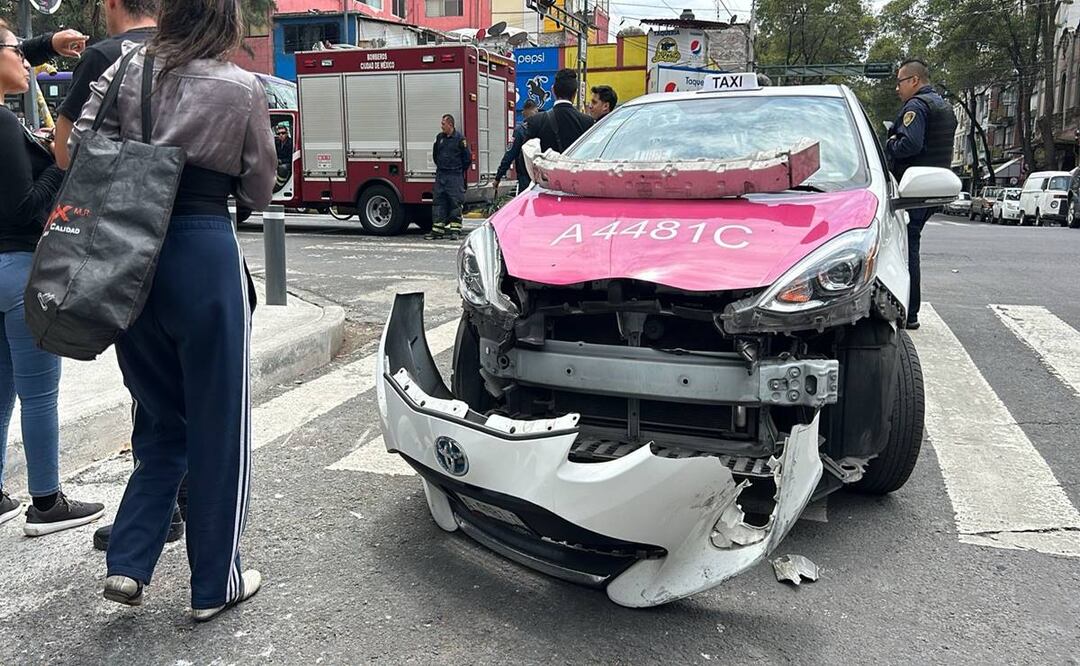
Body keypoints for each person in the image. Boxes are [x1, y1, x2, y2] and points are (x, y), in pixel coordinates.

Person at [70, 0, 276, 621]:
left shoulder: (124, 68)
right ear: (226, 22)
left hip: (127, 256)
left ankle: (130, 563)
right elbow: (260, 186)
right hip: (202, 250)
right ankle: (215, 583)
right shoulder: (242, 88)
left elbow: (78, 147)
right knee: (220, 429)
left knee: (161, 419)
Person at [0, 22, 107, 536]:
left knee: (0, 390)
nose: (25, 59)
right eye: (15, 49)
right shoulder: (1, 122)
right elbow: (24, 209)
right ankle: (46, 501)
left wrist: (46, 45)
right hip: (19, 270)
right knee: (40, 393)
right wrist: (59, 162)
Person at [885, 58, 957, 331]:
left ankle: (909, 312)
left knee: (906, 247)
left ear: (914, 81)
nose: (897, 88)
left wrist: (891, 143)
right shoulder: (943, 106)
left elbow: (910, 144)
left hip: (915, 189)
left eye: (900, 81)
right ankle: (910, 310)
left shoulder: (915, 106)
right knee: (911, 244)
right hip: (934, 187)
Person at [54, 0, 158, 171]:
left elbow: (65, 155)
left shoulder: (100, 57)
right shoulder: (187, 54)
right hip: (178, 189)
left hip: (116, 191)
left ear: (112, 3)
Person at [524, 68, 594, 153]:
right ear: (575, 93)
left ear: (553, 90)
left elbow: (525, 155)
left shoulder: (536, 121)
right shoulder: (587, 122)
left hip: (545, 166)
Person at [427, 113, 471, 241]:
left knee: (455, 203)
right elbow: (436, 155)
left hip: (454, 176)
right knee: (438, 203)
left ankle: (455, 231)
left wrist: (457, 170)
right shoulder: (440, 138)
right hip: (441, 175)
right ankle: (437, 231)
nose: (441, 126)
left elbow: (467, 159)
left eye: (443, 124)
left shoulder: (460, 139)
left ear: (450, 124)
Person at [493, 99, 539, 194]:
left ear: (523, 113)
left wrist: (498, 177)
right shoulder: (544, 128)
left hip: (525, 177)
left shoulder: (520, 131)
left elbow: (510, 155)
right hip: (542, 177)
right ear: (536, 111)